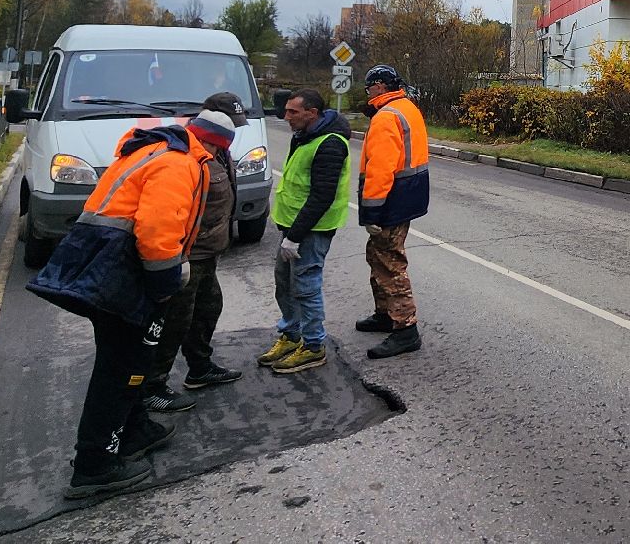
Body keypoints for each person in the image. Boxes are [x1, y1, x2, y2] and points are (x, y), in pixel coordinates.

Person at [26, 108, 224, 499]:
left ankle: (134, 430)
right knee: (121, 369)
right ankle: (95, 465)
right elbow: (157, 228)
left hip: (106, 262)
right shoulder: (178, 164)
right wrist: (167, 280)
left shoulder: (151, 151)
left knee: (131, 360)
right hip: (125, 268)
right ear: (215, 144)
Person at [141, 93, 246, 412]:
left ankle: (199, 368)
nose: (237, 131)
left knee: (208, 308)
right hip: (187, 255)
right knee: (175, 322)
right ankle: (151, 385)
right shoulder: (184, 156)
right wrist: (174, 257)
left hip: (208, 253)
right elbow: (166, 213)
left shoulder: (218, 150)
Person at [258, 88, 351, 376]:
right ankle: (291, 335)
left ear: (312, 113)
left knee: (306, 288)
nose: (285, 117)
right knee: (284, 283)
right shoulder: (304, 136)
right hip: (292, 226)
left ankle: (313, 346)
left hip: (311, 230)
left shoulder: (331, 144)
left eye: (292, 112)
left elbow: (322, 196)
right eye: (286, 111)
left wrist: (295, 236)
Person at [356, 64, 429, 360]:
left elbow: (381, 168)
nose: (368, 92)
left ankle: (405, 330)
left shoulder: (386, 116)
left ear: (379, 86)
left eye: (369, 87)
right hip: (407, 196)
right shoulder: (405, 107)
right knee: (378, 255)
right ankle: (385, 314)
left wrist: (372, 211)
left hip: (391, 201)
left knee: (390, 263)